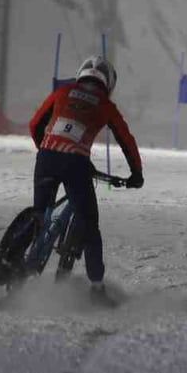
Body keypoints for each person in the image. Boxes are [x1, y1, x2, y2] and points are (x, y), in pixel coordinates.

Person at [28, 55, 143, 305]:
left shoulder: (62, 92)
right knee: (89, 225)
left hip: (46, 157)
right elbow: (127, 140)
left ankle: (20, 256)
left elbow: (35, 124)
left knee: (40, 214)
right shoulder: (106, 106)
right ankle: (97, 289)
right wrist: (136, 174)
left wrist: (46, 149)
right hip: (75, 165)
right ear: (108, 83)